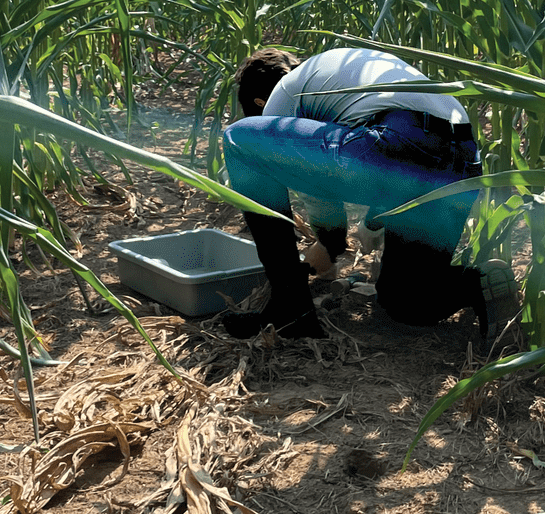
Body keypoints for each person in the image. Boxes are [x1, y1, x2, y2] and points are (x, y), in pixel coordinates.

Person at [220, 43, 518, 341]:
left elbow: (316, 188)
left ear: (260, 102)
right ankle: (479, 284)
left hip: (401, 139)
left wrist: (329, 243)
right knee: (406, 301)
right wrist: (373, 220)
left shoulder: (284, 94)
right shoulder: (329, 75)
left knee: (239, 138)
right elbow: (407, 165)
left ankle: (290, 308)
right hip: (461, 160)